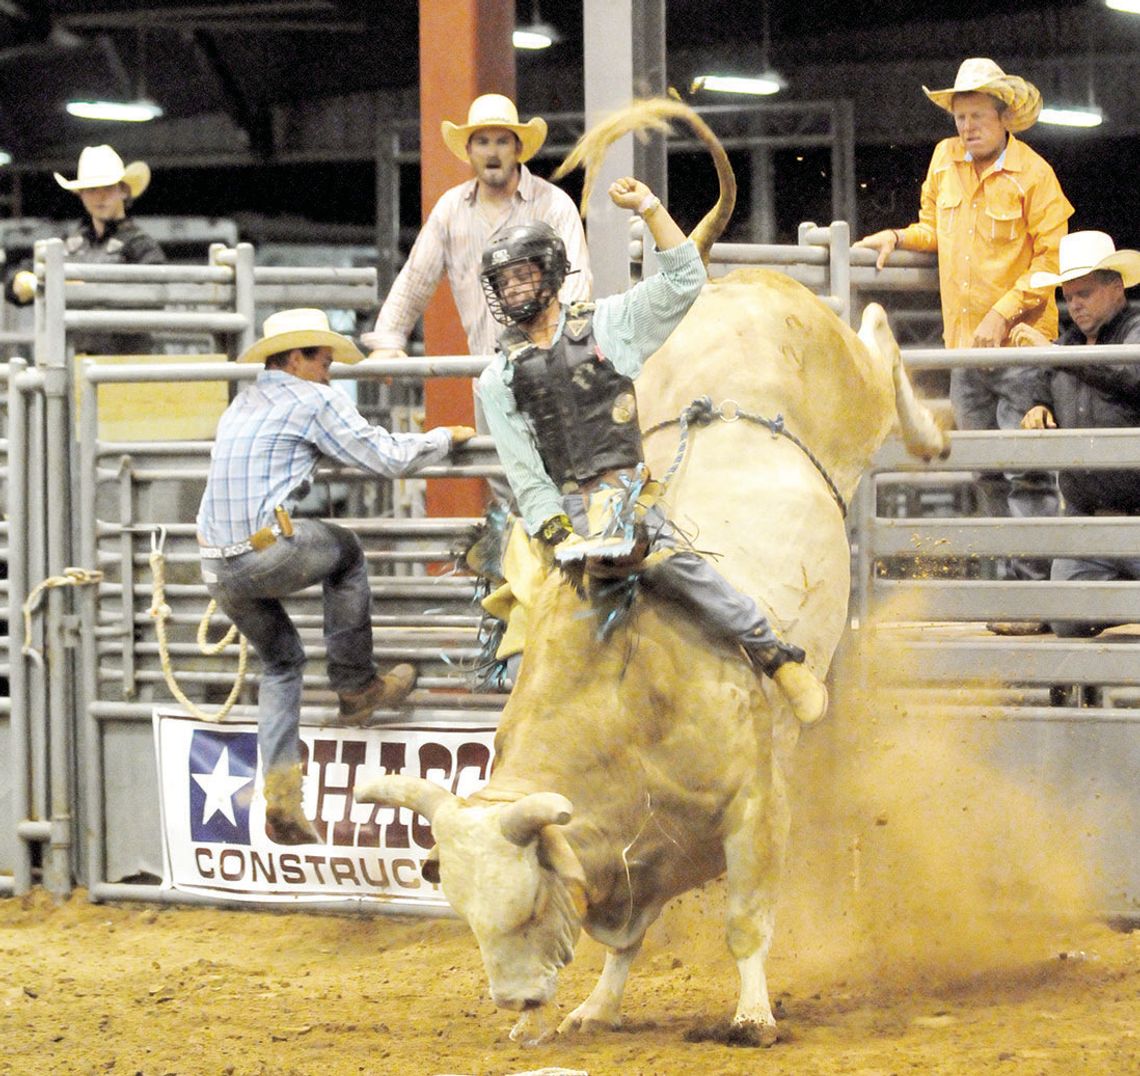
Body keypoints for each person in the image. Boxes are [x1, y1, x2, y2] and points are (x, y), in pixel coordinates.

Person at [476, 177, 828, 726]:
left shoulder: (607, 325)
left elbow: (685, 279)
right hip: (559, 515)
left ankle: (773, 654)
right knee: (526, 634)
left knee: (675, 567)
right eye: (505, 281)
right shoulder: (496, 379)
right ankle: (532, 738)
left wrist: (650, 208)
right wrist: (560, 536)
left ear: (549, 274)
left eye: (523, 275)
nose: (515, 289)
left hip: (623, 494)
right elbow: (525, 474)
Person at [196, 308, 475, 845]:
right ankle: (355, 686)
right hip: (262, 553)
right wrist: (443, 439)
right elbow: (385, 458)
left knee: (281, 663)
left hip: (215, 565)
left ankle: (281, 799)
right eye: (323, 361)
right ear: (297, 358)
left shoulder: (243, 402)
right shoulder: (312, 399)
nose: (330, 372)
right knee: (344, 552)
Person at [853, 58, 1073, 632]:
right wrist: (900, 236)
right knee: (984, 472)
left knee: (1024, 471)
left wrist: (1005, 309)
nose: (966, 127)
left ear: (1005, 118)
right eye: (959, 116)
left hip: (1022, 347)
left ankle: (1032, 603)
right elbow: (934, 228)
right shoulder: (944, 162)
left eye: (976, 116)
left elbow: (1055, 260)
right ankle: (1009, 595)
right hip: (962, 350)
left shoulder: (1035, 175)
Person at [361, 94, 591, 506]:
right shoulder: (452, 210)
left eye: (501, 141)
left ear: (518, 148)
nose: (491, 151)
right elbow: (417, 277)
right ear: (468, 151)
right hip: (489, 375)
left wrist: (561, 345)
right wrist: (389, 341)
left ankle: (560, 562)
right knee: (506, 484)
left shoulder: (552, 205)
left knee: (562, 478)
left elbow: (575, 281)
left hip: (549, 366)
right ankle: (526, 566)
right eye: (482, 142)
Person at [1012, 231, 1140, 638]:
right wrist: (1038, 406)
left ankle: (1113, 601)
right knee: (1066, 619)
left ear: (1115, 287)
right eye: (1068, 295)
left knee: (1067, 614)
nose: (1075, 304)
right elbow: (1043, 385)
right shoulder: (1066, 348)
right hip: (1088, 525)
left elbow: (1130, 374)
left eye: (1084, 292)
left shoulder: (1134, 332)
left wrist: (1055, 354)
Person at [5, 144, 166, 355]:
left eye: (107, 188)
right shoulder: (71, 244)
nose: (100, 197)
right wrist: (23, 280)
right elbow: (16, 285)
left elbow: (156, 298)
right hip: (75, 362)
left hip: (124, 364)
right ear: (81, 195)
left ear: (122, 191)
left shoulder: (140, 245)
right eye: (91, 190)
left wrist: (85, 292)